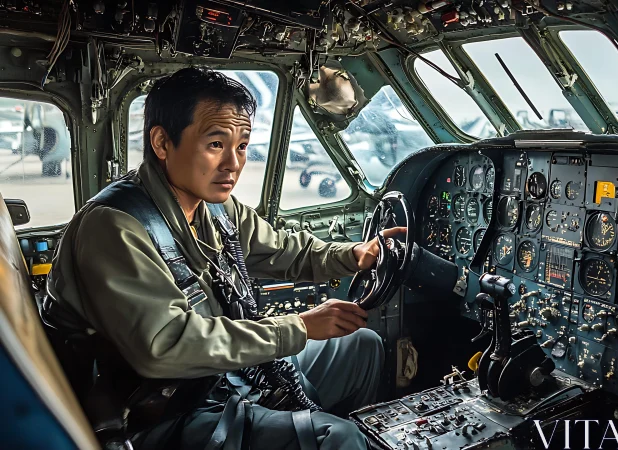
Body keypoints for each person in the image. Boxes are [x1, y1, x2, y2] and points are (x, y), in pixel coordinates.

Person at [46, 67, 403, 449]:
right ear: (162, 143)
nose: (233, 163)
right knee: (338, 438)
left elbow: (283, 248)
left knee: (361, 345)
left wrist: (353, 254)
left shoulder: (214, 207)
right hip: (155, 411)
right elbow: (167, 344)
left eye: (242, 145)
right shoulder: (114, 227)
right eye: (216, 144)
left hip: (213, 377)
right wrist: (297, 326)